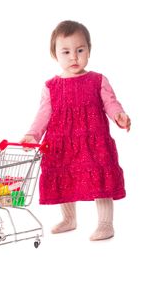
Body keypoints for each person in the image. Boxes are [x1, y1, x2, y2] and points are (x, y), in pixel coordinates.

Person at [21, 20, 131, 241]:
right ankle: (69, 219)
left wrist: (119, 115)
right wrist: (32, 134)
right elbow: (44, 114)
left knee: (100, 175)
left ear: (89, 50)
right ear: (55, 54)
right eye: (66, 51)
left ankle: (105, 223)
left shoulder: (97, 80)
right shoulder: (51, 86)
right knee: (64, 175)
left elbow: (110, 102)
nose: (74, 57)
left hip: (93, 139)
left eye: (80, 50)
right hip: (61, 141)